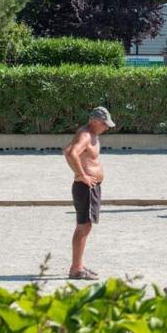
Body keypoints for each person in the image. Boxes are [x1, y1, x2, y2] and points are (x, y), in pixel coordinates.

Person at [63, 107, 115, 280]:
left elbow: (66, 151)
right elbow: (72, 153)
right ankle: (76, 269)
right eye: (104, 124)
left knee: (86, 225)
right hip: (86, 188)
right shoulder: (85, 135)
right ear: (94, 121)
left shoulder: (89, 133)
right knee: (84, 226)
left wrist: (79, 172)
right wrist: (82, 175)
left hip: (89, 186)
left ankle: (79, 265)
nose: (106, 128)